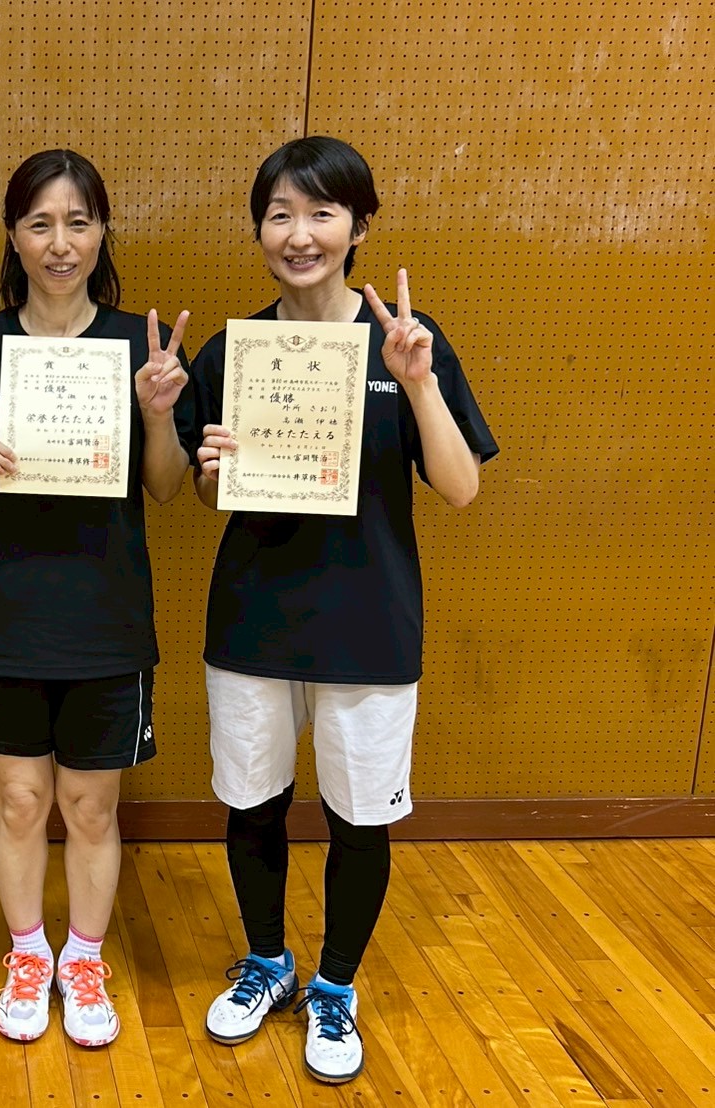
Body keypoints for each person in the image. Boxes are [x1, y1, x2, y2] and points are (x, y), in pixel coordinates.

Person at [189, 135, 498, 1084]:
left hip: (368, 624)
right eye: (278, 214)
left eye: (320, 213)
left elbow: (460, 488)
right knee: (252, 805)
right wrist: (212, 469)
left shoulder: (406, 340)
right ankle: (267, 963)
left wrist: (417, 381)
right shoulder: (234, 351)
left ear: (358, 226)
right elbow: (205, 493)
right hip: (253, 620)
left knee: (359, 818)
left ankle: (333, 984)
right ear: (258, 229)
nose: (299, 234)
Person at [0, 149, 192, 1047]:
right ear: (13, 236)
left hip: (106, 617)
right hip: (2, 615)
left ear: (102, 232)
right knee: (20, 801)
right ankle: (29, 954)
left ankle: (84, 958)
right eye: (40, 224)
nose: (59, 243)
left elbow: (165, 486)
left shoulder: (138, 346)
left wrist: (157, 413)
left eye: (77, 222)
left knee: (91, 808)